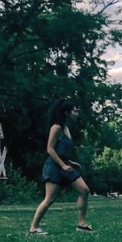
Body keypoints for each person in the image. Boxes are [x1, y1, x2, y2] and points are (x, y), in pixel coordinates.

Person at [29, 100, 93, 234]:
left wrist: (70, 162)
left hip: (65, 164)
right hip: (54, 166)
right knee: (50, 198)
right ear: (66, 113)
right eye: (75, 111)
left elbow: (61, 150)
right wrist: (63, 165)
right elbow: (50, 149)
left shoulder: (66, 128)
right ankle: (34, 228)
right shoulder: (56, 127)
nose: (77, 114)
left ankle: (81, 224)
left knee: (84, 190)